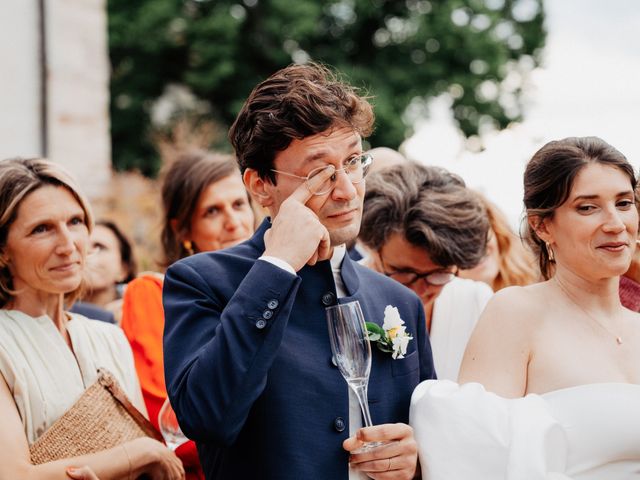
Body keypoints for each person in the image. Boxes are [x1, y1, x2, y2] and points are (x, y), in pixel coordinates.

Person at [162, 63, 435, 480]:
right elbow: (207, 418)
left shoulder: (400, 301)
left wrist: (414, 461)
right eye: (320, 173)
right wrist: (277, 265)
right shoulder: (200, 282)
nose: (347, 190)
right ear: (259, 186)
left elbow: (427, 440)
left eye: (353, 162)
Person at [410, 136, 640, 479]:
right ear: (542, 225)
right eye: (587, 207)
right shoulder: (515, 314)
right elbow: (474, 454)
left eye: (624, 203)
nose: (615, 223)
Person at [0, 157, 184, 479]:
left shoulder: (108, 337)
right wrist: (138, 453)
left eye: (75, 222)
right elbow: (12, 474)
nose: (68, 245)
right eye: (41, 229)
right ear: (3, 249)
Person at [121, 149, 255, 480]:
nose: (233, 222)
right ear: (183, 230)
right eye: (212, 211)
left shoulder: (272, 288)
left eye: (239, 205)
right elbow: (167, 417)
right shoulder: (152, 293)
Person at [359, 162, 492, 380]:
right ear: (373, 247)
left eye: (438, 274)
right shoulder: (343, 299)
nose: (419, 290)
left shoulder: (476, 302)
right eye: (403, 272)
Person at [459, 193, 538, 291]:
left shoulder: (538, 283)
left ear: (496, 230)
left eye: (478, 232)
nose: (475, 246)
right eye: (461, 240)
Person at [72, 220, 137, 324]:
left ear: (123, 270)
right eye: (80, 246)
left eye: (99, 247)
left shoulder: (144, 310)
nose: (87, 252)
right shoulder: (48, 315)